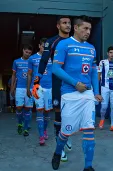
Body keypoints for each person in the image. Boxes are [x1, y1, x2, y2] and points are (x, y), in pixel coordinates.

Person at [51, 15, 102, 171]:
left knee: (89, 129)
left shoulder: (91, 48)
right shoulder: (64, 45)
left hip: (87, 94)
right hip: (69, 94)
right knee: (65, 132)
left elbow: (93, 71)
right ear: (76, 28)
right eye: (85, 28)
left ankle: (88, 167)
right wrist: (75, 83)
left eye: (90, 29)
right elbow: (55, 68)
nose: (88, 32)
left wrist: (96, 91)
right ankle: (58, 152)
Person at [32, 16, 72, 160]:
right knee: (59, 112)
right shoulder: (51, 42)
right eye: (64, 23)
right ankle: (59, 146)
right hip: (57, 83)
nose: (67, 25)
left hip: (72, 83)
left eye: (69, 23)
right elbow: (43, 62)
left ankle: (66, 134)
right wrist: (36, 82)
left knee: (70, 113)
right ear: (58, 26)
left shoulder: (75, 42)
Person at [27, 37, 52, 146]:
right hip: (37, 87)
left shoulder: (52, 58)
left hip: (49, 88)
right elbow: (29, 74)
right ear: (39, 46)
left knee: (47, 112)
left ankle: (45, 130)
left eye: (46, 47)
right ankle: (41, 135)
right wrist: (29, 88)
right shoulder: (32, 59)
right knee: (39, 111)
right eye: (43, 46)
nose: (44, 48)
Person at [11, 44, 33, 136]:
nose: (27, 54)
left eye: (29, 53)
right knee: (19, 108)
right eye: (26, 52)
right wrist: (12, 87)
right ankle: (20, 123)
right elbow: (13, 75)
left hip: (30, 88)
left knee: (27, 109)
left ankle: (26, 128)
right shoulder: (16, 62)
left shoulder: (32, 62)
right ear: (23, 50)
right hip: (19, 88)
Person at [98, 46, 113, 132]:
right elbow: (98, 75)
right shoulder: (102, 62)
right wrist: (97, 87)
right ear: (107, 53)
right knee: (104, 106)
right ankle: (102, 119)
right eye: (110, 52)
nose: (112, 54)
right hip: (104, 87)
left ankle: (112, 125)